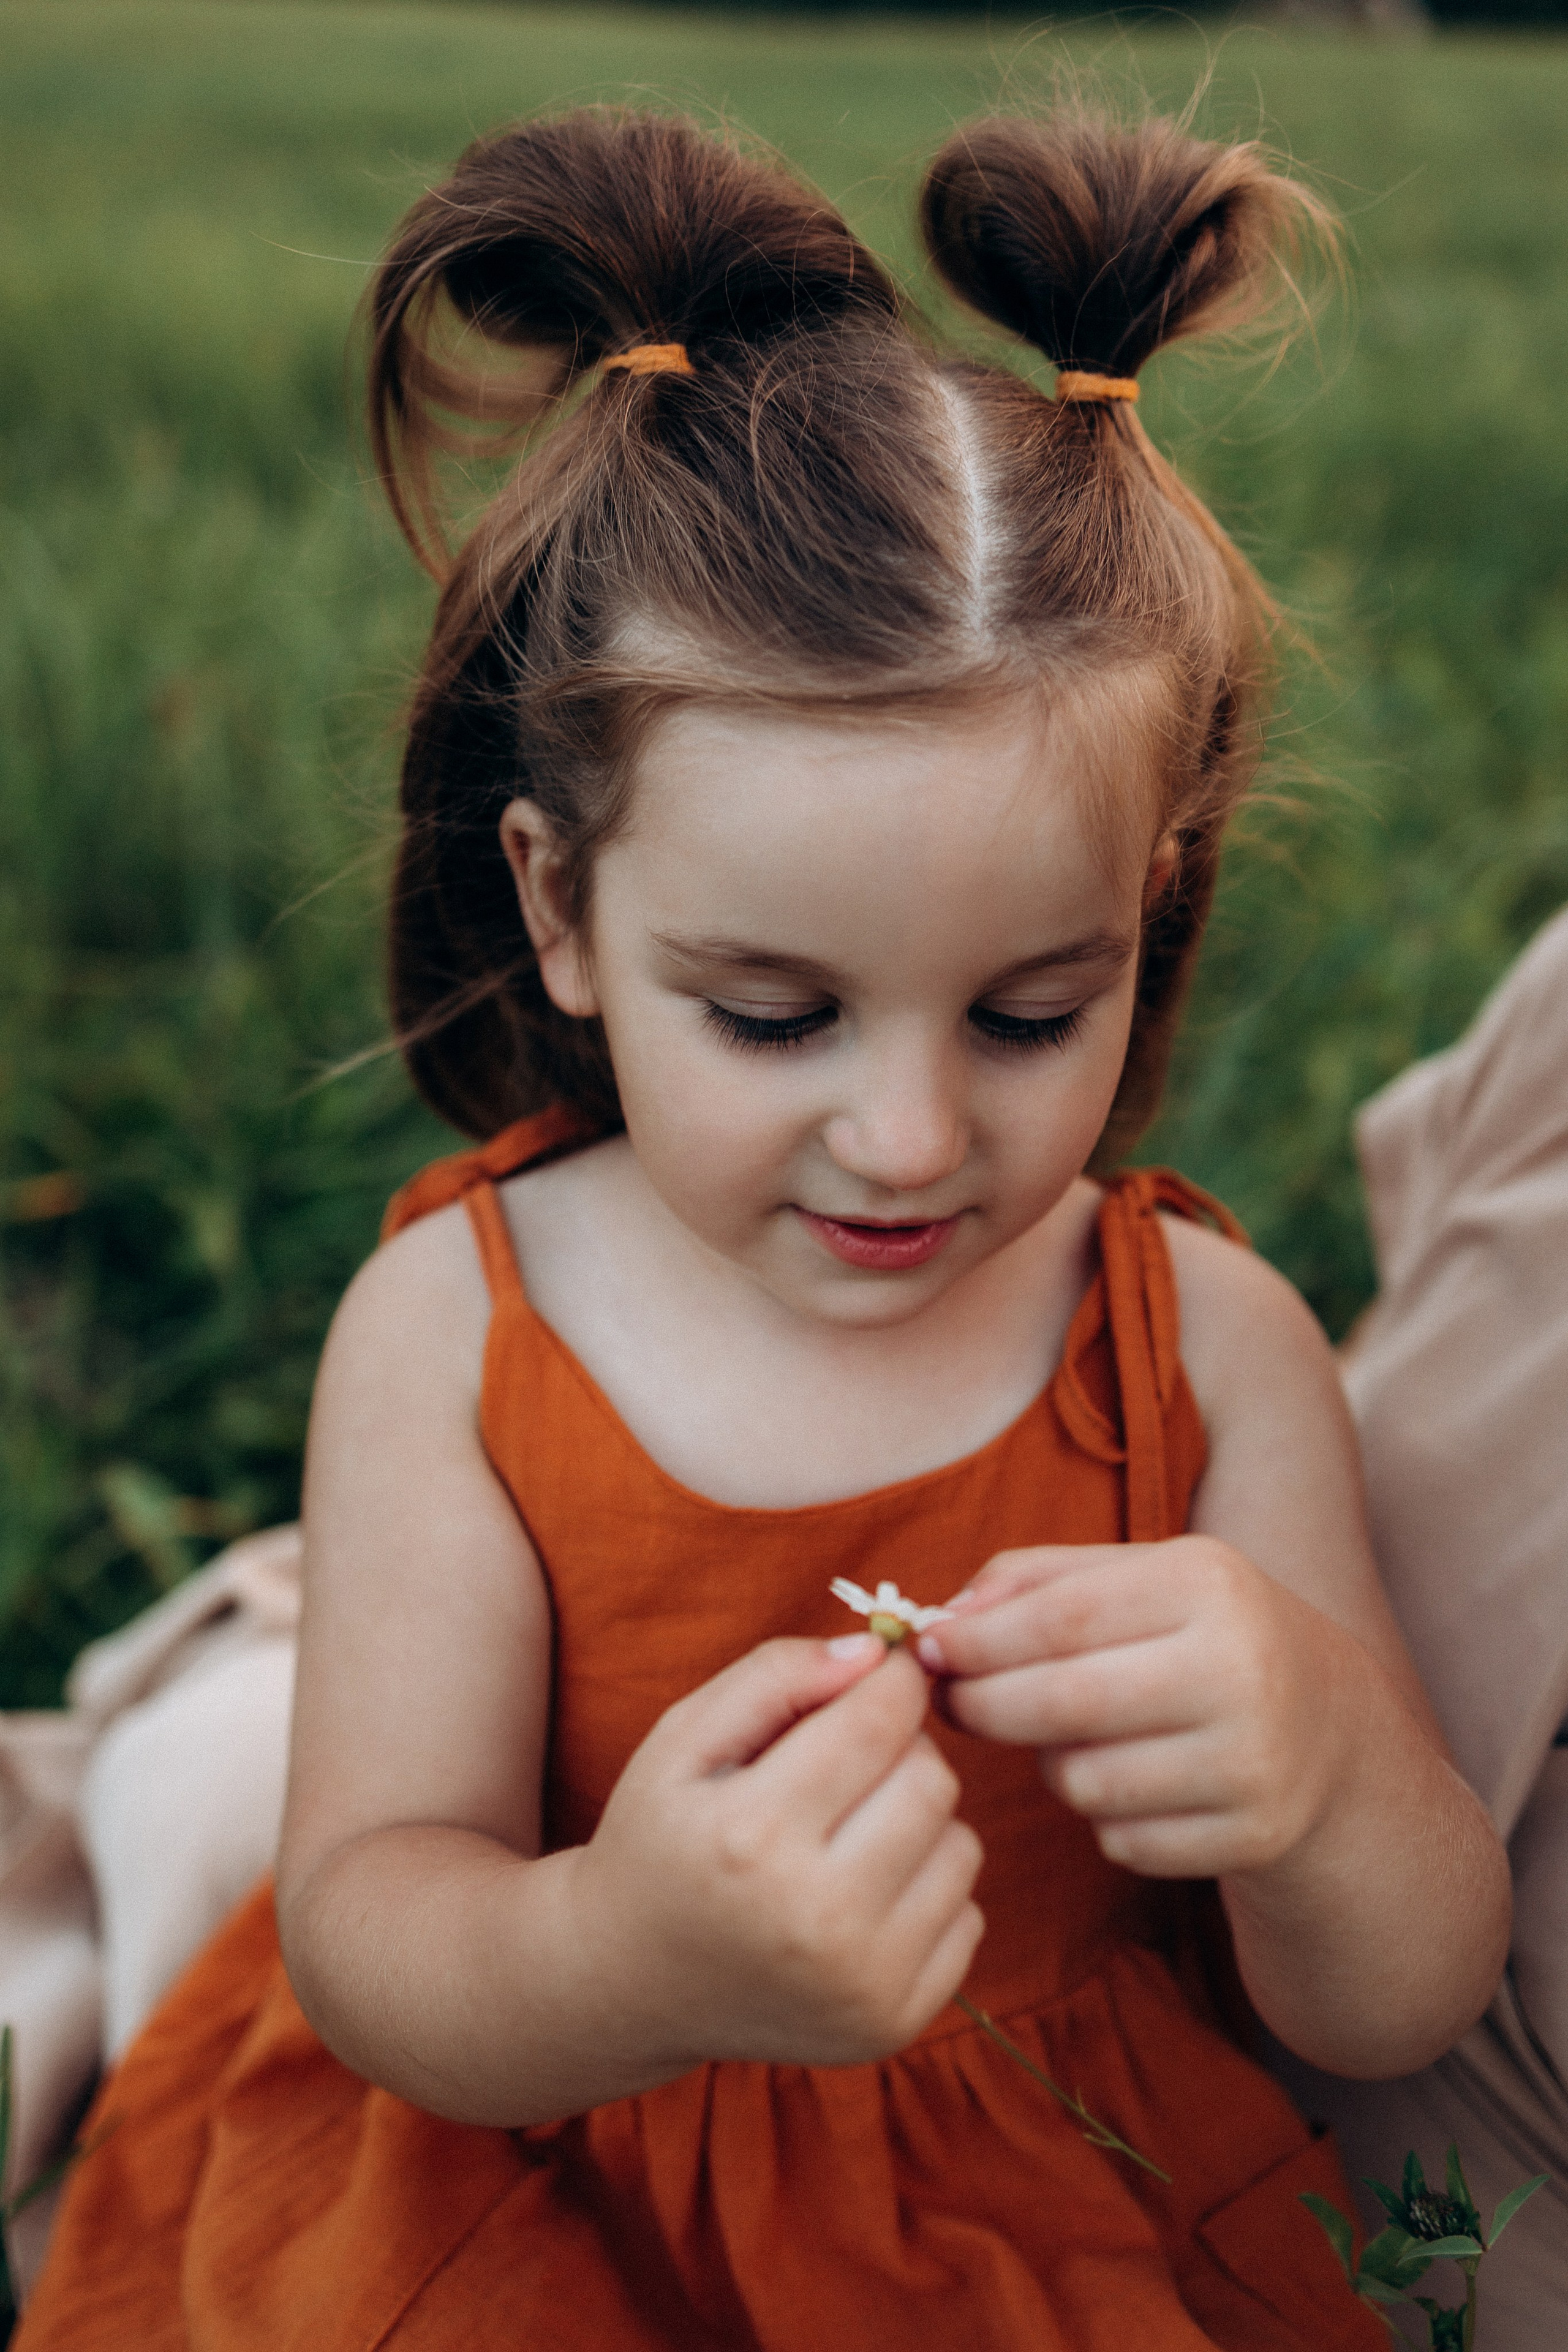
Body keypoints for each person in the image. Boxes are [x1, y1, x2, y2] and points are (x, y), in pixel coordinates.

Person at [15, 105, 1507, 2351]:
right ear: (564, 910)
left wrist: (1318, 1771)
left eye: (1030, 1011)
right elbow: (378, 1926)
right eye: (774, 1015)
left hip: (1051, 2203)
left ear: (1152, 905)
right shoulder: (462, 1330)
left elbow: (1392, 2003)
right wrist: (629, 1953)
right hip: (550, 2172)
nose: (906, 1138)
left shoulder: (1202, 1341)